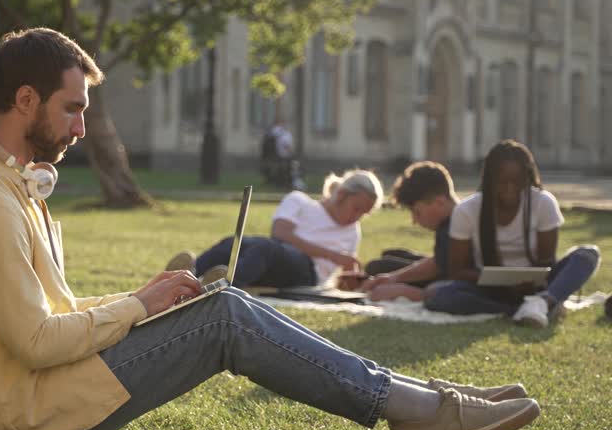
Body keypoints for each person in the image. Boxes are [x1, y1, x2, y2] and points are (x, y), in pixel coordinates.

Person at [0, 27, 538, 430]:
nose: (83, 126)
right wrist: (139, 306)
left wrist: (144, 296)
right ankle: (423, 412)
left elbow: (48, 315)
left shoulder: (12, 188)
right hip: (26, 412)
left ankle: (420, 400)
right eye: (72, 109)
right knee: (225, 316)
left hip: (49, 388)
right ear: (26, 99)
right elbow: (36, 341)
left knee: (228, 305)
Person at [425, 140, 602, 328]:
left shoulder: (543, 203)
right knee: (437, 296)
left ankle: (542, 302)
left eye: (517, 182)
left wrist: (530, 284)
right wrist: (501, 283)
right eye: (502, 182)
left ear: (528, 178)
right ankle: (517, 310)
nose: (510, 189)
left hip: (536, 287)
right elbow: (456, 270)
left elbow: (547, 262)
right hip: (489, 288)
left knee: (587, 255)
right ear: (490, 179)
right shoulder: (467, 210)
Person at [173, 169, 383, 291]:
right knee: (236, 243)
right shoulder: (299, 201)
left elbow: (342, 279)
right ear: (342, 195)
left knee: (264, 248)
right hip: (277, 254)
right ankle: (183, 277)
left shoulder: (353, 232)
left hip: (307, 274)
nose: (357, 217)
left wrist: (351, 279)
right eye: (356, 208)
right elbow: (280, 233)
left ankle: (220, 287)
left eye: (364, 213)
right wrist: (333, 255)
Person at [358, 161, 459, 302]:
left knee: (378, 266)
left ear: (439, 202)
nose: (414, 221)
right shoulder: (449, 222)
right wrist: (392, 278)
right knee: (391, 255)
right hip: (445, 271)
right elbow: (441, 260)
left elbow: (440, 268)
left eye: (417, 212)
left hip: (451, 278)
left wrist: (398, 284)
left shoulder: (458, 224)